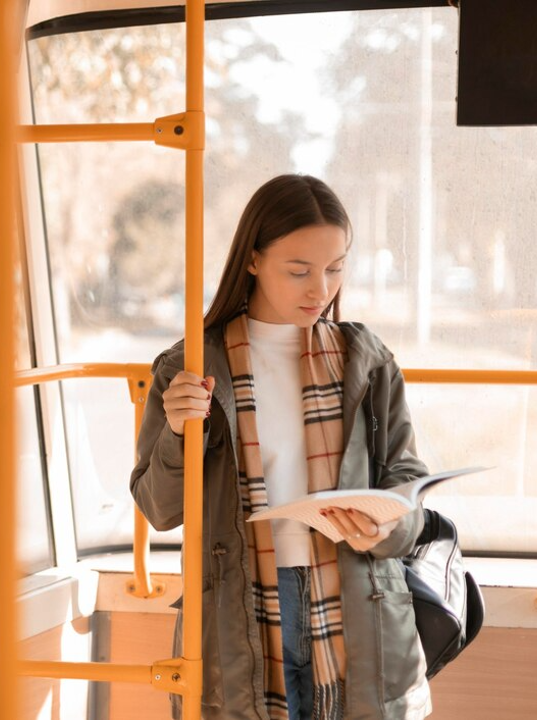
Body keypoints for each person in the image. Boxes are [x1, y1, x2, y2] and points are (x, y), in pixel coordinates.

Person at [130, 175, 431, 720]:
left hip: (355, 601)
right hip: (240, 608)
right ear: (251, 259)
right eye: (299, 271)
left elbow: (408, 484)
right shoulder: (192, 367)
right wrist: (178, 433)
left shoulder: (366, 360)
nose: (322, 289)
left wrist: (388, 524)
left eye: (335, 268)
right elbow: (160, 509)